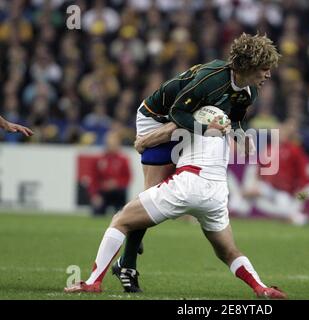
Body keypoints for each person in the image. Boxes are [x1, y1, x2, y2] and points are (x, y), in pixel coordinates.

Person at [112, 32, 281, 292]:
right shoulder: (211, 78)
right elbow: (176, 112)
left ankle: (129, 246)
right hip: (157, 117)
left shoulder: (249, 91)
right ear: (248, 67)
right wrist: (204, 129)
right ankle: (128, 265)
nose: (269, 74)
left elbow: (234, 120)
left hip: (187, 121)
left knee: (148, 204)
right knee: (150, 194)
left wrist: (241, 138)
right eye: (265, 68)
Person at [64, 125, 287, 299]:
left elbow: (169, 130)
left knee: (121, 220)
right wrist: (237, 133)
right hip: (217, 193)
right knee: (228, 251)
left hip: (188, 184)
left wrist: (143, 141)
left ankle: (94, 282)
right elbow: (249, 149)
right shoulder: (229, 119)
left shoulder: (194, 110)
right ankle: (261, 287)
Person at [90, 131, 131, 216]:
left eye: (114, 144)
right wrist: (95, 195)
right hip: (103, 192)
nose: (112, 146)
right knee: (97, 213)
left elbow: (127, 177)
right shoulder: (99, 159)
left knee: (121, 216)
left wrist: (117, 183)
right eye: (110, 144)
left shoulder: (123, 160)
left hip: (118, 192)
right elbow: (94, 179)